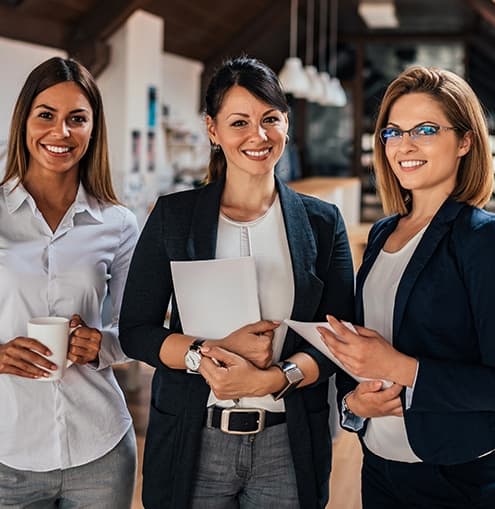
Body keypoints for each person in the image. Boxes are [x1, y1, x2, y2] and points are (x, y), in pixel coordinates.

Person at [119, 56, 355, 509]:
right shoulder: (173, 217)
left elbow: (337, 336)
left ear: (286, 123)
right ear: (213, 130)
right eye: (239, 122)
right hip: (195, 437)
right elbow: (136, 330)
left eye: (270, 119)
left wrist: (275, 379)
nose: (258, 135)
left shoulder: (323, 222)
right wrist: (202, 356)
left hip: (287, 444)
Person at [319, 66, 495, 508]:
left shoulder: (482, 239)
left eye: (426, 129)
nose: (405, 145)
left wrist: (404, 369)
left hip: (456, 477)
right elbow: (364, 350)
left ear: (466, 141)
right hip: (379, 465)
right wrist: (354, 405)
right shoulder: (382, 233)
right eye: (393, 132)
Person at [0, 57, 139, 508]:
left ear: (93, 129)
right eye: (47, 115)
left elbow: (141, 326)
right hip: (7, 452)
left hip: (100, 448)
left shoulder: (118, 223)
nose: (61, 132)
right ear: (24, 121)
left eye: (77, 119)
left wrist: (104, 345)